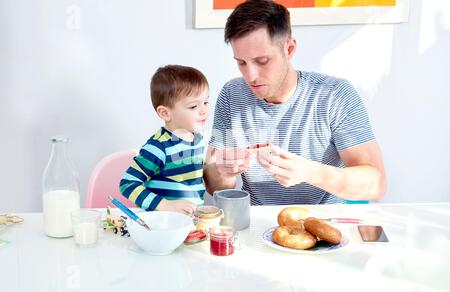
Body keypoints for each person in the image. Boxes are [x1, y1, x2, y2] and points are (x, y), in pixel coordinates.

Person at [204, 0, 386, 205]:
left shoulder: (334, 95)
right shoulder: (231, 94)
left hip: (322, 224)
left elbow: (376, 185)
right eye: (241, 63)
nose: (251, 75)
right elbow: (214, 186)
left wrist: (310, 172)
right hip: (255, 222)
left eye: (262, 61)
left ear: (289, 49)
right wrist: (223, 172)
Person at [119, 65, 209, 214]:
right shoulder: (158, 147)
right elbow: (128, 184)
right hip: (162, 225)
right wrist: (165, 205)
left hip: (190, 222)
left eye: (206, 102)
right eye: (193, 106)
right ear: (165, 113)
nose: (204, 110)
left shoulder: (198, 140)